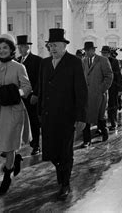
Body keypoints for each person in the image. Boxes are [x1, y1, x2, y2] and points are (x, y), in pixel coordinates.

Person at [37, 28, 88, 200]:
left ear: (64, 45)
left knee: (66, 152)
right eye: (50, 45)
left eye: (56, 45)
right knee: (51, 151)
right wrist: (39, 113)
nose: (52, 48)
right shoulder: (44, 64)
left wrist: (81, 117)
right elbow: (41, 89)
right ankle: (60, 170)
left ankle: (65, 183)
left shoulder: (74, 62)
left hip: (67, 116)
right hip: (48, 115)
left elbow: (81, 91)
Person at [0, 34, 32, 196]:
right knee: (3, 143)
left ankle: (8, 173)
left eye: (5, 47)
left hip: (14, 109)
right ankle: (15, 159)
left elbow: (27, 88)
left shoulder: (19, 67)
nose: (2, 51)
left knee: (10, 143)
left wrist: (14, 93)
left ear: (12, 49)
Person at [81, 42, 113, 147]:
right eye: (85, 50)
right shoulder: (84, 61)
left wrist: (101, 89)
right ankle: (87, 140)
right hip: (87, 94)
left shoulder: (103, 60)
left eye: (88, 50)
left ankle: (104, 131)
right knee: (86, 117)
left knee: (100, 117)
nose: (86, 52)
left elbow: (109, 76)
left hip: (99, 94)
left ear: (93, 50)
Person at [15, 35, 43, 156]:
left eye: (22, 46)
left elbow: (40, 79)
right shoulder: (16, 61)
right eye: (19, 47)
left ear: (28, 47)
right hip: (19, 98)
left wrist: (36, 94)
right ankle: (17, 145)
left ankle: (36, 145)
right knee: (18, 121)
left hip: (31, 97)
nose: (20, 49)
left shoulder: (37, 60)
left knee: (33, 121)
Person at [100, 45, 122, 130]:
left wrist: (120, 89)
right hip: (102, 87)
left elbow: (119, 76)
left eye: (106, 53)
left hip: (113, 87)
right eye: (103, 53)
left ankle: (113, 123)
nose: (104, 54)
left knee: (113, 106)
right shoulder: (99, 61)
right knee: (101, 107)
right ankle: (101, 126)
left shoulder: (115, 62)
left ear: (109, 53)